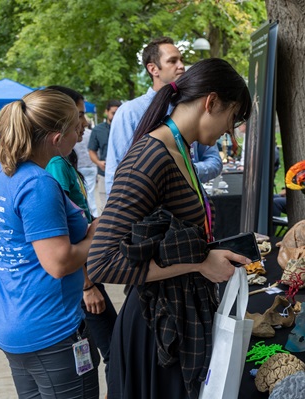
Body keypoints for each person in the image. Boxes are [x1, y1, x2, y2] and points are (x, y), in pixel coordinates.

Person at [87, 58, 252, 399]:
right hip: (154, 333)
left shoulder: (180, 149)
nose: (229, 131)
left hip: (174, 322)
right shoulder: (151, 156)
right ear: (211, 102)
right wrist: (200, 263)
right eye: (232, 117)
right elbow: (102, 262)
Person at [0, 89, 100, 398]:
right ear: (55, 137)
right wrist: (95, 236)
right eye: (76, 127)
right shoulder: (38, 184)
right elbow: (59, 262)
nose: (79, 135)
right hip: (50, 330)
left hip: (12, 320)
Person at [45, 85, 117, 385]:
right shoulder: (55, 165)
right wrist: (88, 285)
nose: (84, 124)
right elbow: (62, 235)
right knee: (113, 348)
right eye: (79, 116)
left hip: (83, 268)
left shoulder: (63, 161)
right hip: (79, 276)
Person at [105, 36, 222, 196]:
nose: (181, 66)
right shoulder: (129, 113)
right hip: (149, 214)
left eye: (181, 60)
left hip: (192, 210)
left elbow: (214, 161)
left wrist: (184, 169)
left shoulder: (196, 109)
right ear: (153, 69)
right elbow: (116, 171)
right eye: (172, 61)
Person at [89, 99, 121, 214]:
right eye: (113, 113)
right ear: (107, 112)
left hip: (122, 174)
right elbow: (91, 150)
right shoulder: (98, 130)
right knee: (105, 209)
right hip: (104, 174)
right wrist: (98, 162)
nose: (115, 116)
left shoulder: (125, 127)